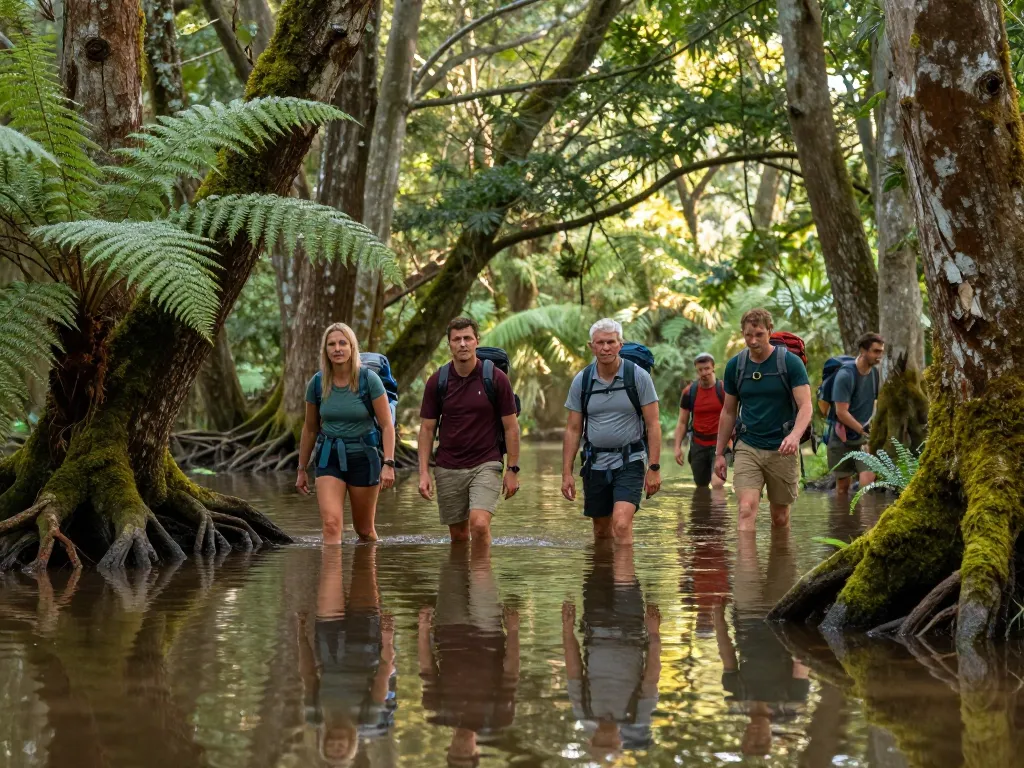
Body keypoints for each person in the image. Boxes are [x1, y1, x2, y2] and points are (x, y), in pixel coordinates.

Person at [418, 317, 521, 544]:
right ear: (449, 344)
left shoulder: (496, 378)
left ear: (476, 341)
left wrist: (512, 469)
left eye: (467, 338)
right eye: (457, 339)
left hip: (486, 462)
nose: (462, 344)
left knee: (479, 525)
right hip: (448, 466)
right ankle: (461, 577)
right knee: (459, 536)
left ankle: (481, 578)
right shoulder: (438, 381)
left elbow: (511, 427)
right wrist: (423, 471)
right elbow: (427, 429)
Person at [419, 542, 520, 766]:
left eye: (456, 753)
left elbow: (427, 668)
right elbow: (511, 672)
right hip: (488, 632)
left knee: (452, 570)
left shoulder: (437, 712)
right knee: (482, 570)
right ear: (475, 753)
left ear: (449, 750)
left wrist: (423, 629)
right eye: (465, 754)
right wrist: (513, 631)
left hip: (449, 629)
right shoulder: (499, 718)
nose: (461, 748)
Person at [562, 319, 661, 545]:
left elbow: (653, 424)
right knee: (601, 532)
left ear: (620, 344)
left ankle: (625, 581)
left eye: (610, 342)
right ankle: (604, 578)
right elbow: (573, 429)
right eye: (600, 343)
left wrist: (654, 467)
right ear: (591, 346)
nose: (605, 347)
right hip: (595, 462)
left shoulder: (638, 377)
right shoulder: (582, 380)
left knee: (622, 524)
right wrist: (566, 473)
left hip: (631, 460)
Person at [297, 544, 397, 765]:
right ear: (350, 746)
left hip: (328, 643)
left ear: (323, 742)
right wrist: (388, 639)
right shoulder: (367, 718)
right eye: (340, 750)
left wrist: (301, 636)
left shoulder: (315, 717)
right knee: (365, 569)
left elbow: (309, 676)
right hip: (366, 643)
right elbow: (383, 677)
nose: (336, 744)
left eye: (331, 748)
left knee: (330, 572)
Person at [297, 323, 396, 544]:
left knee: (365, 531)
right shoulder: (317, 383)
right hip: (328, 457)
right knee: (331, 525)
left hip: (364, 457)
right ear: (325, 350)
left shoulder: (369, 380)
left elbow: (387, 426)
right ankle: (330, 578)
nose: (337, 348)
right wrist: (301, 468)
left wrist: (388, 463)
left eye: (343, 343)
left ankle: (366, 577)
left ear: (352, 348)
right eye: (331, 344)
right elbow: (310, 428)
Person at [714, 308, 812, 531]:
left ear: (770, 331)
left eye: (759, 334)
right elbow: (728, 412)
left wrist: (795, 437)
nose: (753, 340)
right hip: (748, 445)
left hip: (782, 447)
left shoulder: (790, 363)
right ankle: (747, 566)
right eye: (748, 335)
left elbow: (806, 406)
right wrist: (719, 453)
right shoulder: (735, 366)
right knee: (746, 509)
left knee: (780, 517)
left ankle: (779, 564)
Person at [714, 529, 809, 758]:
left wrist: (718, 616)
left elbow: (727, 654)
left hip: (747, 616)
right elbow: (801, 662)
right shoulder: (790, 706)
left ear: (745, 734)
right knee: (779, 560)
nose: (756, 733)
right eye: (761, 739)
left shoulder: (736, 697)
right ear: (769, 737)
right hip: (781, 617)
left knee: (756, 558)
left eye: (752, 738)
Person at [562, 541, 661, 756]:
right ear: (618, 742)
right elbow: (651, 677)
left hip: (595, 627)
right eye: (608, 744)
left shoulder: (584, 714)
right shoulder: (637, 717)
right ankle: (617, 527)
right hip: (630, 628)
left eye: (600, 743)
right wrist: (654, 634)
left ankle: (607, 530)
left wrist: (567, 631)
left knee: (598, 566)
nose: (605, 738)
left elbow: (574, 672)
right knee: (624, 568)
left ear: (592, 741)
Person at [828, 333, 885, 495]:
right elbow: (841, 412)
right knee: (842, 488)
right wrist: (862, 429)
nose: (879, 356)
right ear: (863, 350)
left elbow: (875, 401)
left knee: (867, 482)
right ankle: (844, 520)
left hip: (863, 438)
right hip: (842, 438)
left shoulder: (874, 374)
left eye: (881, 352)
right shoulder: (845, 376)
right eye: (875, 351)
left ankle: (864, 519)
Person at [674, 352, 727, 489]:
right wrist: (677, 447)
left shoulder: (724, 390)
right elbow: (682, 422)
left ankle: (719, 510)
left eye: (707, 368)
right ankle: (703, 510)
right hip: (698, 444)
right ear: (696, 371)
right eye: (700, 370)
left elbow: (732, 417)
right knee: (701, 486)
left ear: (713, 368)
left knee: (717, 483)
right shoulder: (689, 392)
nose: (704, 373)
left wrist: (732, 442)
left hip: (719, 444)